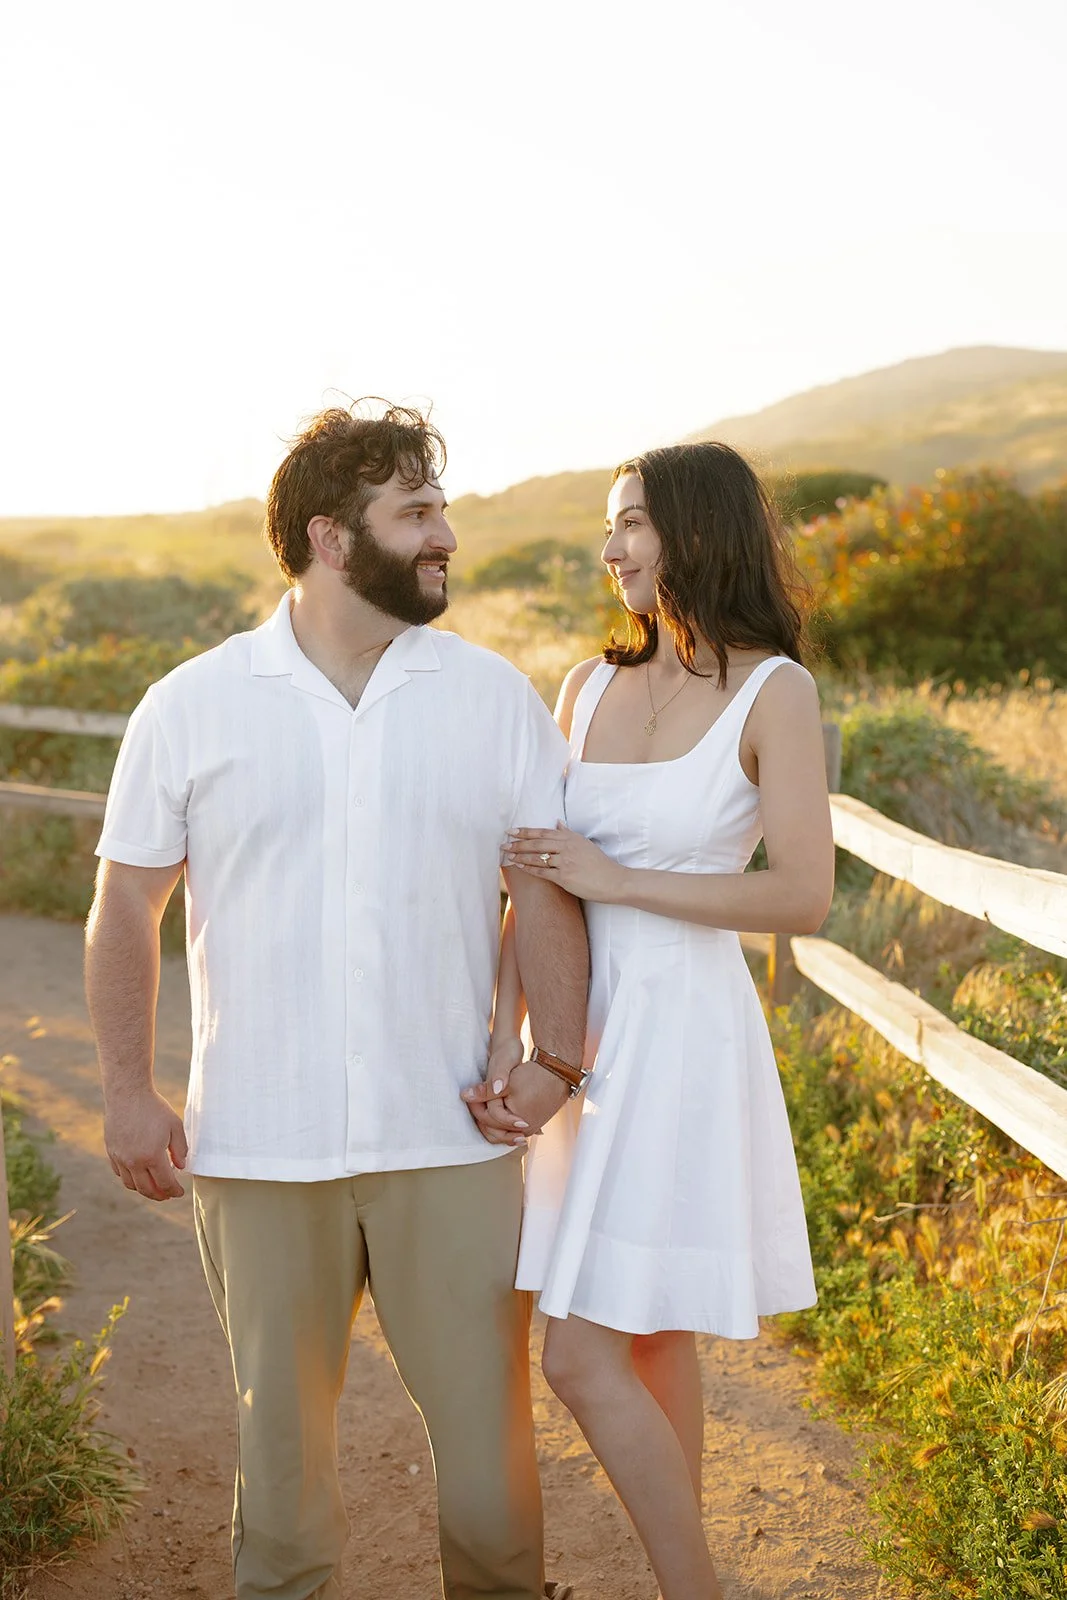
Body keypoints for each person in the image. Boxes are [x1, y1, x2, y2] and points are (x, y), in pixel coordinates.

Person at [84, 401, 589, 1600]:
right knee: (284, 1492)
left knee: (490, 1485)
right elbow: (123, 908)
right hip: (258, 1148)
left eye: (441, 510)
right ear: (327, 537)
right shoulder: (191, 704)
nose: (445, 535)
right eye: (416, 512)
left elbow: (545, 892)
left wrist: (552, 1055)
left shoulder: (491, 698)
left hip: (450, 1143)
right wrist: (125, 1091)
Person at [466, 441, 834, 1600]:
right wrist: (506, 1037)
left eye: (628, 520)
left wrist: (620, 880)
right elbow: (537, 875)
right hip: (583, 1026)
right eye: (606, 525)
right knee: (647, 1329)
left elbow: (800, 895)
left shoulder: (774, 691)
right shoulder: (580, 686)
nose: (608, 545)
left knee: (577, 1351)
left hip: (680, 1030)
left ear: (694, 528)